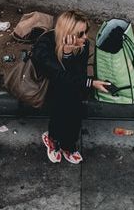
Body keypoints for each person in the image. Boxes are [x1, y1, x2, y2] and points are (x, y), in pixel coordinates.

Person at [32, 10, 110, 164]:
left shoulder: (83, 44)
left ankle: (68, 143)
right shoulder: (44, 45)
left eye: (86, 32)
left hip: (70, 85)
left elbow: (78, 74)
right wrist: (67, 54)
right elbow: (59, 76)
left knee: (73, 97)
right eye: (81, 34)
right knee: (63, 97)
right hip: (46, 85)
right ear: (68, 33)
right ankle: (54, 138)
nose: (85, 37)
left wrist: (85, 80)